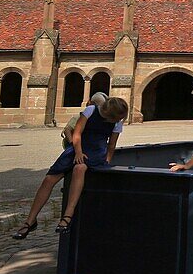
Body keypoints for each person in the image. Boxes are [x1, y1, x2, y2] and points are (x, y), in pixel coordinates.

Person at [13, 96, 129, 239]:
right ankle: (30, 221)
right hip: (77, 148)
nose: (119, 121)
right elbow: (77, 133)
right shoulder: (91, 110)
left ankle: (68, 215)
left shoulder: (116, 123)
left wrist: (106, 162)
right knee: (49, 179)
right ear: (111, 115)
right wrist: (78, 152)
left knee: (79, 168)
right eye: (118, 118)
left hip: (96, 152)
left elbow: (111, 145)